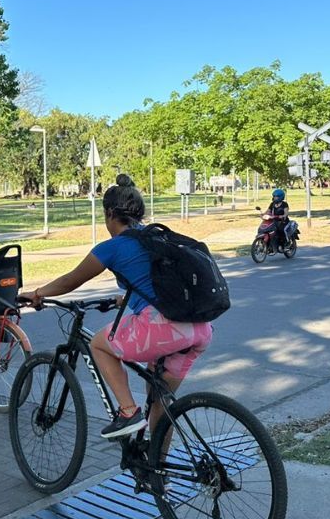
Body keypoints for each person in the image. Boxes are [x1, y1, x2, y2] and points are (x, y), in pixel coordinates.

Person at [21, 174, 213, 439]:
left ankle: (127, 412)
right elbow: (155, 283)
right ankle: (158, 477)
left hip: (164, 328)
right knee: (161, 403)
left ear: (110, 213)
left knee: (99, 344)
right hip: (199, 328)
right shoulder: (155, 239)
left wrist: (37, 293)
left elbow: (70, 280)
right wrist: (123, 299)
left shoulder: (113, 247)